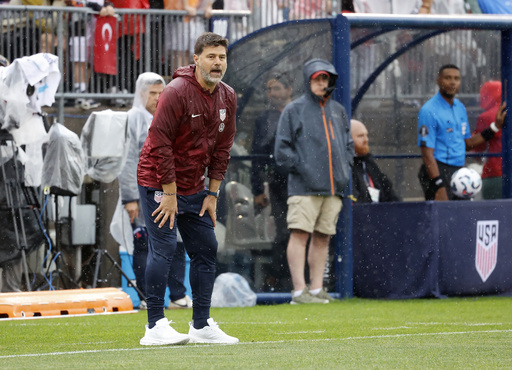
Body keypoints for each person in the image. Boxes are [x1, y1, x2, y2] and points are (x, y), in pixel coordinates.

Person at [137, 32, 238, 345]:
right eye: (211, 56)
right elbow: (159, 143)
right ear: (196, 59)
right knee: (164, 248)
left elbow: (223, 147)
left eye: (221, 56)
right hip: (158, 181)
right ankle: (154, 326)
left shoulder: (228, 95)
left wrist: (213, 193)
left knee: (207, 247)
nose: (217, 62)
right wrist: (169, 193)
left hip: (196, 187)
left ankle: (201, 324)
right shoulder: (176, 91)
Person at [274, 58, 354, 304]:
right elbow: (282, 151)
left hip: (333, 189)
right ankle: (299, 292)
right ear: (308, 81)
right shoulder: (293, 109)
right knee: (300, 235)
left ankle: (317, 290)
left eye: (325, 78)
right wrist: (306, 170)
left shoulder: (338, 110)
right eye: (317, 78)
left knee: (323, 237)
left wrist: (344, 170)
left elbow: (349, 146)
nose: (322, 83)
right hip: (304, 189)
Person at [117, 72, 192, 310]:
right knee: (144, 242)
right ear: (141, 94)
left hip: (171, 190)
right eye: (152, 93)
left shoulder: (171, 116)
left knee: (176, 240)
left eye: (161, 93)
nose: (158, 98)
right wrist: (130, 197)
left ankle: (178, 295)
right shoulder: (132, 119)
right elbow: (127, 161)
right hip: (143, 191)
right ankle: (147, 296)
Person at [417, 64, 507, 201]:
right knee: (442, 218)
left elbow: (467, 144)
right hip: (439, 170)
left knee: (461, 216)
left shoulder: (460, 107)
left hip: (459, 171)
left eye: (456, 78)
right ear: (438, 81)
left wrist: (495, 127)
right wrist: (438, 184)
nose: (452, 82)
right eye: (448, 78)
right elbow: (427, 153)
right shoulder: (428, 110)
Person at [250, 72, 293, 292]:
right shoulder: (264, 119)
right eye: (269, 89)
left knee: (305, 231)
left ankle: (307, 281)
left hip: (302, 183)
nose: (271, 93)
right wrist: (257, 189)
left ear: (289, 90)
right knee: (284, 232)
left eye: (276, 88)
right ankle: (283, 281)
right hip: (278, 184)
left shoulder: (300, 113)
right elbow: (256, 156)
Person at [64, 0, 115, 109]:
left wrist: (109, 5)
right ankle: (79, 93)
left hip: (96, 25)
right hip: (79, 25)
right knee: (79, 59)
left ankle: (84, 93)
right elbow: (75, 2)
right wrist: (96, 7)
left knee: (88, 62)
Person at [351, 119, 400, 203]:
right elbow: (352, 199)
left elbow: (388, 191)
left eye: (366, 135)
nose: (366, 139)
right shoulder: (346, 167)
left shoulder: (369, 163)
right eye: (360, 136)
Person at [472, 81, 503, 199]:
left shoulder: (486, 117)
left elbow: (477, 147)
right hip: (505, 171)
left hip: (494, 174)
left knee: (494, 212)